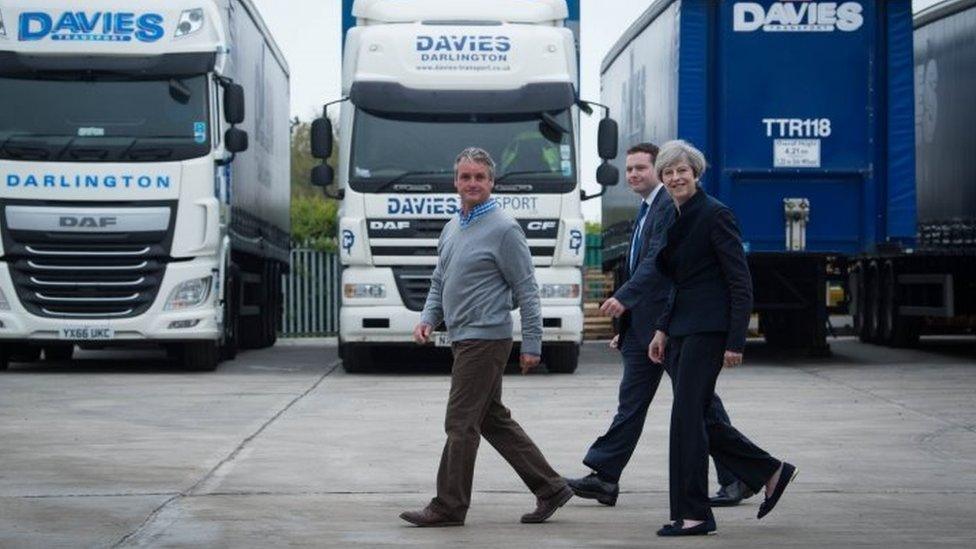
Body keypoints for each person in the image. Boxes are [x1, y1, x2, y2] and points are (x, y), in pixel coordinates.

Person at [566, 143, 753, 507]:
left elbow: (656, 266)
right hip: (642, 328)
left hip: (669, 326)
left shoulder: (670, 206)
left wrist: (625, 298)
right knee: (631, 403)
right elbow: (634, 264)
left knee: (701, 406)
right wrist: (625, 322)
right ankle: (605, 477)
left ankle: (740, 474)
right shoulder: (647, 208)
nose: (634, 174)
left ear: (661, 170)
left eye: (642, 168)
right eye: (630, 169)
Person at [399, 147, 573, 527]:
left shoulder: (504, 228)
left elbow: (526, 290)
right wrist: (428, 318)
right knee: (492, 419)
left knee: (460, 424)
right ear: (455, 182)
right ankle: (551, 487)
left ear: (492, 183)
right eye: (466, 177)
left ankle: (448, 506)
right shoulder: (452, 227)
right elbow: (439, 281)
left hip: (486, 339)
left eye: (480, 177)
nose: (472, 183)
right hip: (463, 337)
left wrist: (532, 345)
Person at [648, 140, 797, 537]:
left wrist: (736, 339)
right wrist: (662, 327)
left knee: (685, 420)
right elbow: (678, 283)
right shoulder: (674, 217)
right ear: (661, 179)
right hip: (680, 330)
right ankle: (769, 471)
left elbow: (739, 280)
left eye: (683, 170)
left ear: (696, 173)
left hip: (708, 330)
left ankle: (695, 515)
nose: (676, 177)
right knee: (702, 417)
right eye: (668, 172)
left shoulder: (716, 215)